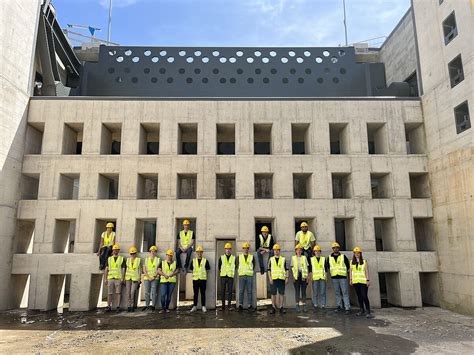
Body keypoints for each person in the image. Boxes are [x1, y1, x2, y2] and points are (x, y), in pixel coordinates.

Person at [325, 242, 351, 314]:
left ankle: (347, 307)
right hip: (334, 278)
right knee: (337, 292)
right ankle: (339, 306)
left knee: (344, 292)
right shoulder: (329, 258)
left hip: (343, 277)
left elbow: (348, 267)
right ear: (332, 249)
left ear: (339, 249)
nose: (335, 249)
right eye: (334, 248)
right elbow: (328, 267)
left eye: (337, 248)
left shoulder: (343, 256)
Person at [349, 247, 373, 318]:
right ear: (354, 254)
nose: (357, 254)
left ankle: (368, 311)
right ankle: (361, 310)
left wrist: (367, 280)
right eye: (355, 253)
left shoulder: (364, 261)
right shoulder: (351, 262)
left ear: (360, 254)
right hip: (356, 282)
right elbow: (351, 271)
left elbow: (366, 271)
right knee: (359, 297)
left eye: (358, 253)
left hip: (363, 282)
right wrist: (350, 280)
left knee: (364, 296)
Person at [268, 244, 289, 314]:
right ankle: (273, 307)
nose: (276, 251)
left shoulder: (283, 259)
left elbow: (286, 269)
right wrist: (270, 278)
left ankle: (281, 307)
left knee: (281, 293)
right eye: (275, 250)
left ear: (279, 251)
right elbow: (269, 270)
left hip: (281, 279)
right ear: (273, 251)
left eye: (277, 250)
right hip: (273, 279)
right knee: (273, 293)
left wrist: (287, 278)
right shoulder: (271, 259)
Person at [104, 244, 125, 312]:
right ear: (112, 251)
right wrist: (105, 278)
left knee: (118, 293)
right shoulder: (109, 259)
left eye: (116, 250)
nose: (115, 251)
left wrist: (122, 278)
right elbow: (106, 269)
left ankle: (118, 307)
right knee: (109, 293)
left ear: (118, 251)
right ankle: (108, 306)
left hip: (118, 278)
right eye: (114, 250)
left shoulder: (121, 259)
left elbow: (123, 269)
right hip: (110, 278)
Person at [291, 244, 311, 313]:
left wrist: (308, 277)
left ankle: (304, 305)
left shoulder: (304, 258)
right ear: (295, 251)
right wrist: (293, 277)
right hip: (296, 276)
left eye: (300, 250)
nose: (299, 251)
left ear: (302, 251)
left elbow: (307, 267)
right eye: (297, 250)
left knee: (303, 292)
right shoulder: (293, 258)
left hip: (303, 276)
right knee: (297, 291)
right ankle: (297, 305)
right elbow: (292, 268)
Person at [189, 246, 210, 313]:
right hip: (195, 280)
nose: (199, 253)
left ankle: (203, 306)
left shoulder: (205, 260)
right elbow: (191, 269)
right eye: (198, 252)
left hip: (203, 279)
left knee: (203, 293)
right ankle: (195, 306)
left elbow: (207, 270)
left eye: (200, 252)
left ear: (202, 253)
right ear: (196, 253)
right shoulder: (193, 261)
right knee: (195, 293)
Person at [237, 242, 255, 312]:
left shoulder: (252, 257)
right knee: (241, 291)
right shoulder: (239, 257)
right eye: (245, 248)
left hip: (249, 276)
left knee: (249, 291)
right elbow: (236, 265)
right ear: (243, 249)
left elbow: (253, 266)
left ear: (248, 249)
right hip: (241, 276)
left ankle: (249, 305)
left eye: (247, 248)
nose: (246, 249)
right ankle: (240, 305)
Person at [218, 242, 236, 310]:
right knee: (222, 291)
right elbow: (219, 267)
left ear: (231, 250)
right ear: (225, 250)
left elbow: (235, 266)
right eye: (226, 249)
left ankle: (229, 306)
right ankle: (223, 306)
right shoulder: (221, 257)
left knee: (230, 292)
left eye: (229, 249)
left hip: (230, 277)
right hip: (223, 276)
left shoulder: (233, 258)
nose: (228, 250)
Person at [142, 245, 160, 311]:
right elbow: (144, 270)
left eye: (154, 251)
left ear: (156, 252)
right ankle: (147, 305)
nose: (153, 252)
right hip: (147, 278)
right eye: (152, 251)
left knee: (154, 292)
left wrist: (153, 277)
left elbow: (159, 270)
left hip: (155, 278)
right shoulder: (146, 259)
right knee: (147, 292)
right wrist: (148, 277)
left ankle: (153, 306)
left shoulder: (158, 260)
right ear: (150, 252)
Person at [310, 245, 327, 311]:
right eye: (316, 251)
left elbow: (325, 269)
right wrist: (311, 277)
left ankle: (323, 305)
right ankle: (315, 305)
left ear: (320, 252)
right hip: (315, 278)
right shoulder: (312, 259)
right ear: (314, 252)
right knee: (315, 292)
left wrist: (326, 277)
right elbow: (310, 269)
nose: (317, 252)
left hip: (322, 277)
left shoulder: (323, 259)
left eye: (318, 251)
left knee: (323, 292)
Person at [125, 246, 141, 312]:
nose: (132, 255)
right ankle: (129, 306)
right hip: (128, 278)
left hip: (135, 278)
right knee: (128, 292)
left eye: (134, 253)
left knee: (132, 292)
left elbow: (139, 270)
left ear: (136, 253)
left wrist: (139, 279)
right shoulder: (128, 260)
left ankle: (132, 305)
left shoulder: (138, 260)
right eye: (131, 254)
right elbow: (126, 269)